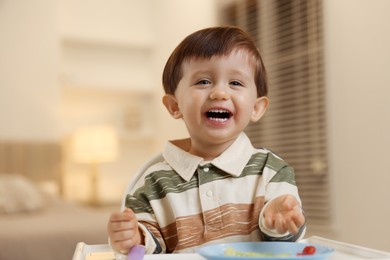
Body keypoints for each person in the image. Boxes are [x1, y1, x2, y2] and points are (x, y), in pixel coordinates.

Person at [107, 25, 306, 256]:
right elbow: (145, 249)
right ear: (174, 106)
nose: (219, 93)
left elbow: (289, 239)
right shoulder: (152, 183)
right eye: (203, 81)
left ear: (256, 108)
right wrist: (134, 237)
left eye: (236, 83)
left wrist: (278, 221)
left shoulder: (272, 170)